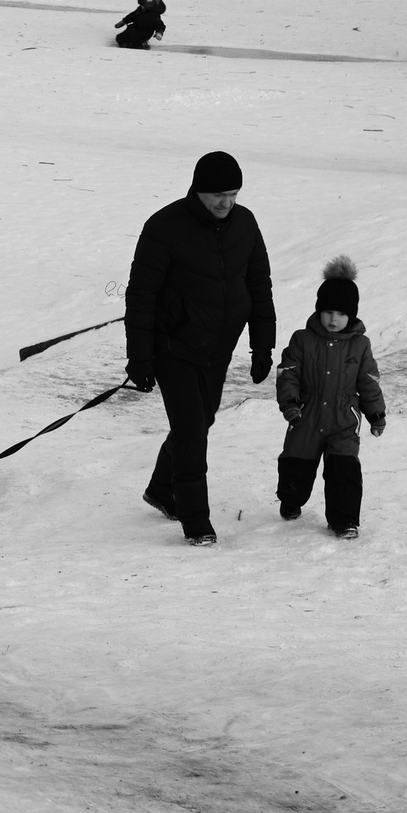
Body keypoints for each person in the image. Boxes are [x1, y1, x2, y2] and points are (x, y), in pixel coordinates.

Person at [127, 151, 277, 547]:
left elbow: (259, 285)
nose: (227, 203)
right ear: (198, 190)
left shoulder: (245, 224)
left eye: (234, 193)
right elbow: (141, 295)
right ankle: (196, 520)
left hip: (217, 349)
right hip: (173, 348)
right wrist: (140, 357)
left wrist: (263, 346)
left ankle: (161, 489)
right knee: (192, 431)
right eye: (219, 195)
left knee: (199, 421)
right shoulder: (164, 227)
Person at [274, 256, 385, 539]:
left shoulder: (360, 345)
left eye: (340, 313)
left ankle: (344, 520)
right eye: (327, 312)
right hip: (306, 414)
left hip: (343, 417)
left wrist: (376, 414)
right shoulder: (302, 339)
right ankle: (291, 500)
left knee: (344, 471)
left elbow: (368, 381)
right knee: (296, 466)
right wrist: (290, 403)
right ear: (318, 311)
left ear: (352, 315)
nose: (333, 319)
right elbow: (288, 372)